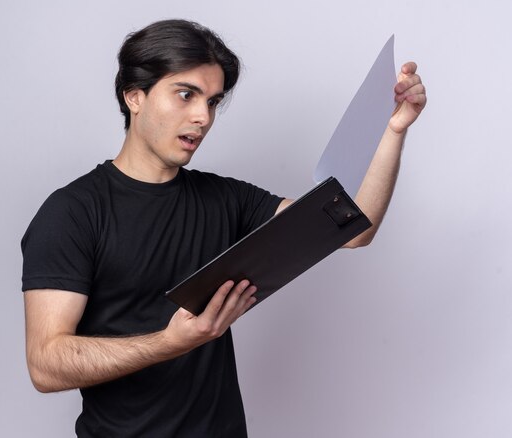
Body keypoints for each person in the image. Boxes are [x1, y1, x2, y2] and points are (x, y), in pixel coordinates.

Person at [21, 19, 427, 437]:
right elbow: (45, 364)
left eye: (212, 102)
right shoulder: (72, 212)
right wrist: (169, 342)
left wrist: (393, 130)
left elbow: (354, 230)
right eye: (186, 95)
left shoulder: (226, 199)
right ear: (134, 96)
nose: (203, 117)